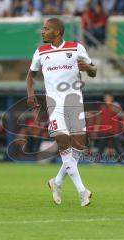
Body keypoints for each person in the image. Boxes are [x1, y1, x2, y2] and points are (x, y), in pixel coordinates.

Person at [26, 18, 97, 207]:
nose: (42, 32)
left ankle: (56, 182)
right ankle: (83, 192)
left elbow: (93, 71)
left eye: (46, 29)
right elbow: (30, 76)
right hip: (54, 105)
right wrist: (30, 94)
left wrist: (89, 68)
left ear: (57, 32)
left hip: (75, 104)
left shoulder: (76, 48)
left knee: (79, 148)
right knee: (64, 145)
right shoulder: (40, 52)